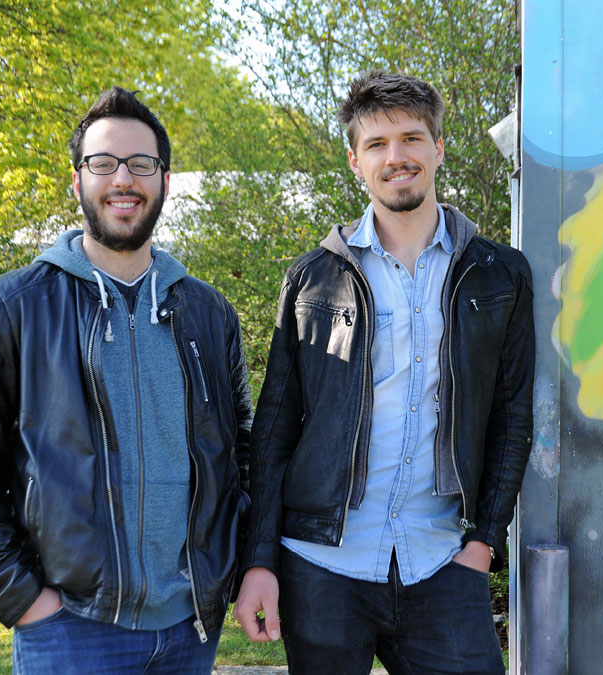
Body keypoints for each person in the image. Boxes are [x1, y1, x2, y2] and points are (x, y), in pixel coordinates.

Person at [0, 87, 252, 674]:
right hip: (70, 629)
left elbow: (242, 453)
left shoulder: (210, 313)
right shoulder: (13, 305)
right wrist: (19, 596)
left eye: (142, 164)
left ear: (164, 180)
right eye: (103, 163)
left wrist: (238, 568)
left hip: (189, 629)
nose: (123, 179)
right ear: (77, 182)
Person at [234, 70, 535, 674]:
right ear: (355, 160)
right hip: (322, 564)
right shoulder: (314, 277)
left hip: (443, 561)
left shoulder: (499, 275)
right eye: (376, 144)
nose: (396, 157)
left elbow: (512, 417)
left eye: (411, 138)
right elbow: (273, 432)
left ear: (438, 147)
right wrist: (260, 561)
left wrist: (484, 543)